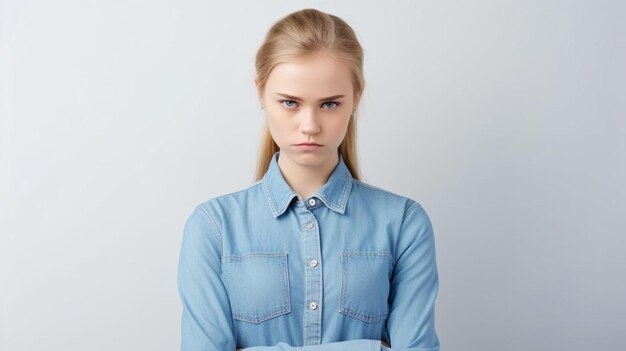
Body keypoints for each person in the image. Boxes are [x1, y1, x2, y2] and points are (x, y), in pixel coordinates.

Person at [177, 8, 440, 351]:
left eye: (329, 104)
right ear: (260, 93)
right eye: (290, 102)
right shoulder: (212, 226)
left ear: (356, 98)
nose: (310, 125)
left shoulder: (404, 222)